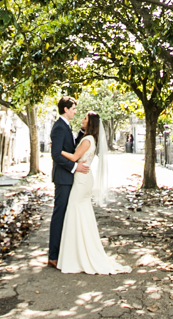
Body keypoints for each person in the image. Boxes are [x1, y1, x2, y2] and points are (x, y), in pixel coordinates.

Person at [56, 111, 131, 275]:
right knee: (81, 212)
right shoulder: (89, 138)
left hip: (82, 180)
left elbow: (75, 157)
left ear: (90, 123)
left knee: (75, 210)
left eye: (85, 119)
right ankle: (78, 251)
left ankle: (77, 254)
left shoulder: (88, 140)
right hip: (84, 178)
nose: (82, 120)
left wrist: (58, 150)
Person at [48, 96, 88, 268]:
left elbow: (69, 148)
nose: (75, 111)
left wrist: (81, 133)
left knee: (66, 215)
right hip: (63, 178)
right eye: (73, 108)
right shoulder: (59, 127)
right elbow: (56, 154)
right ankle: (53, 256)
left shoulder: (66, 126)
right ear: (65, 109)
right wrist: (74, 167)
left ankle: (62, 253)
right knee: (59, 215)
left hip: (68, 177)